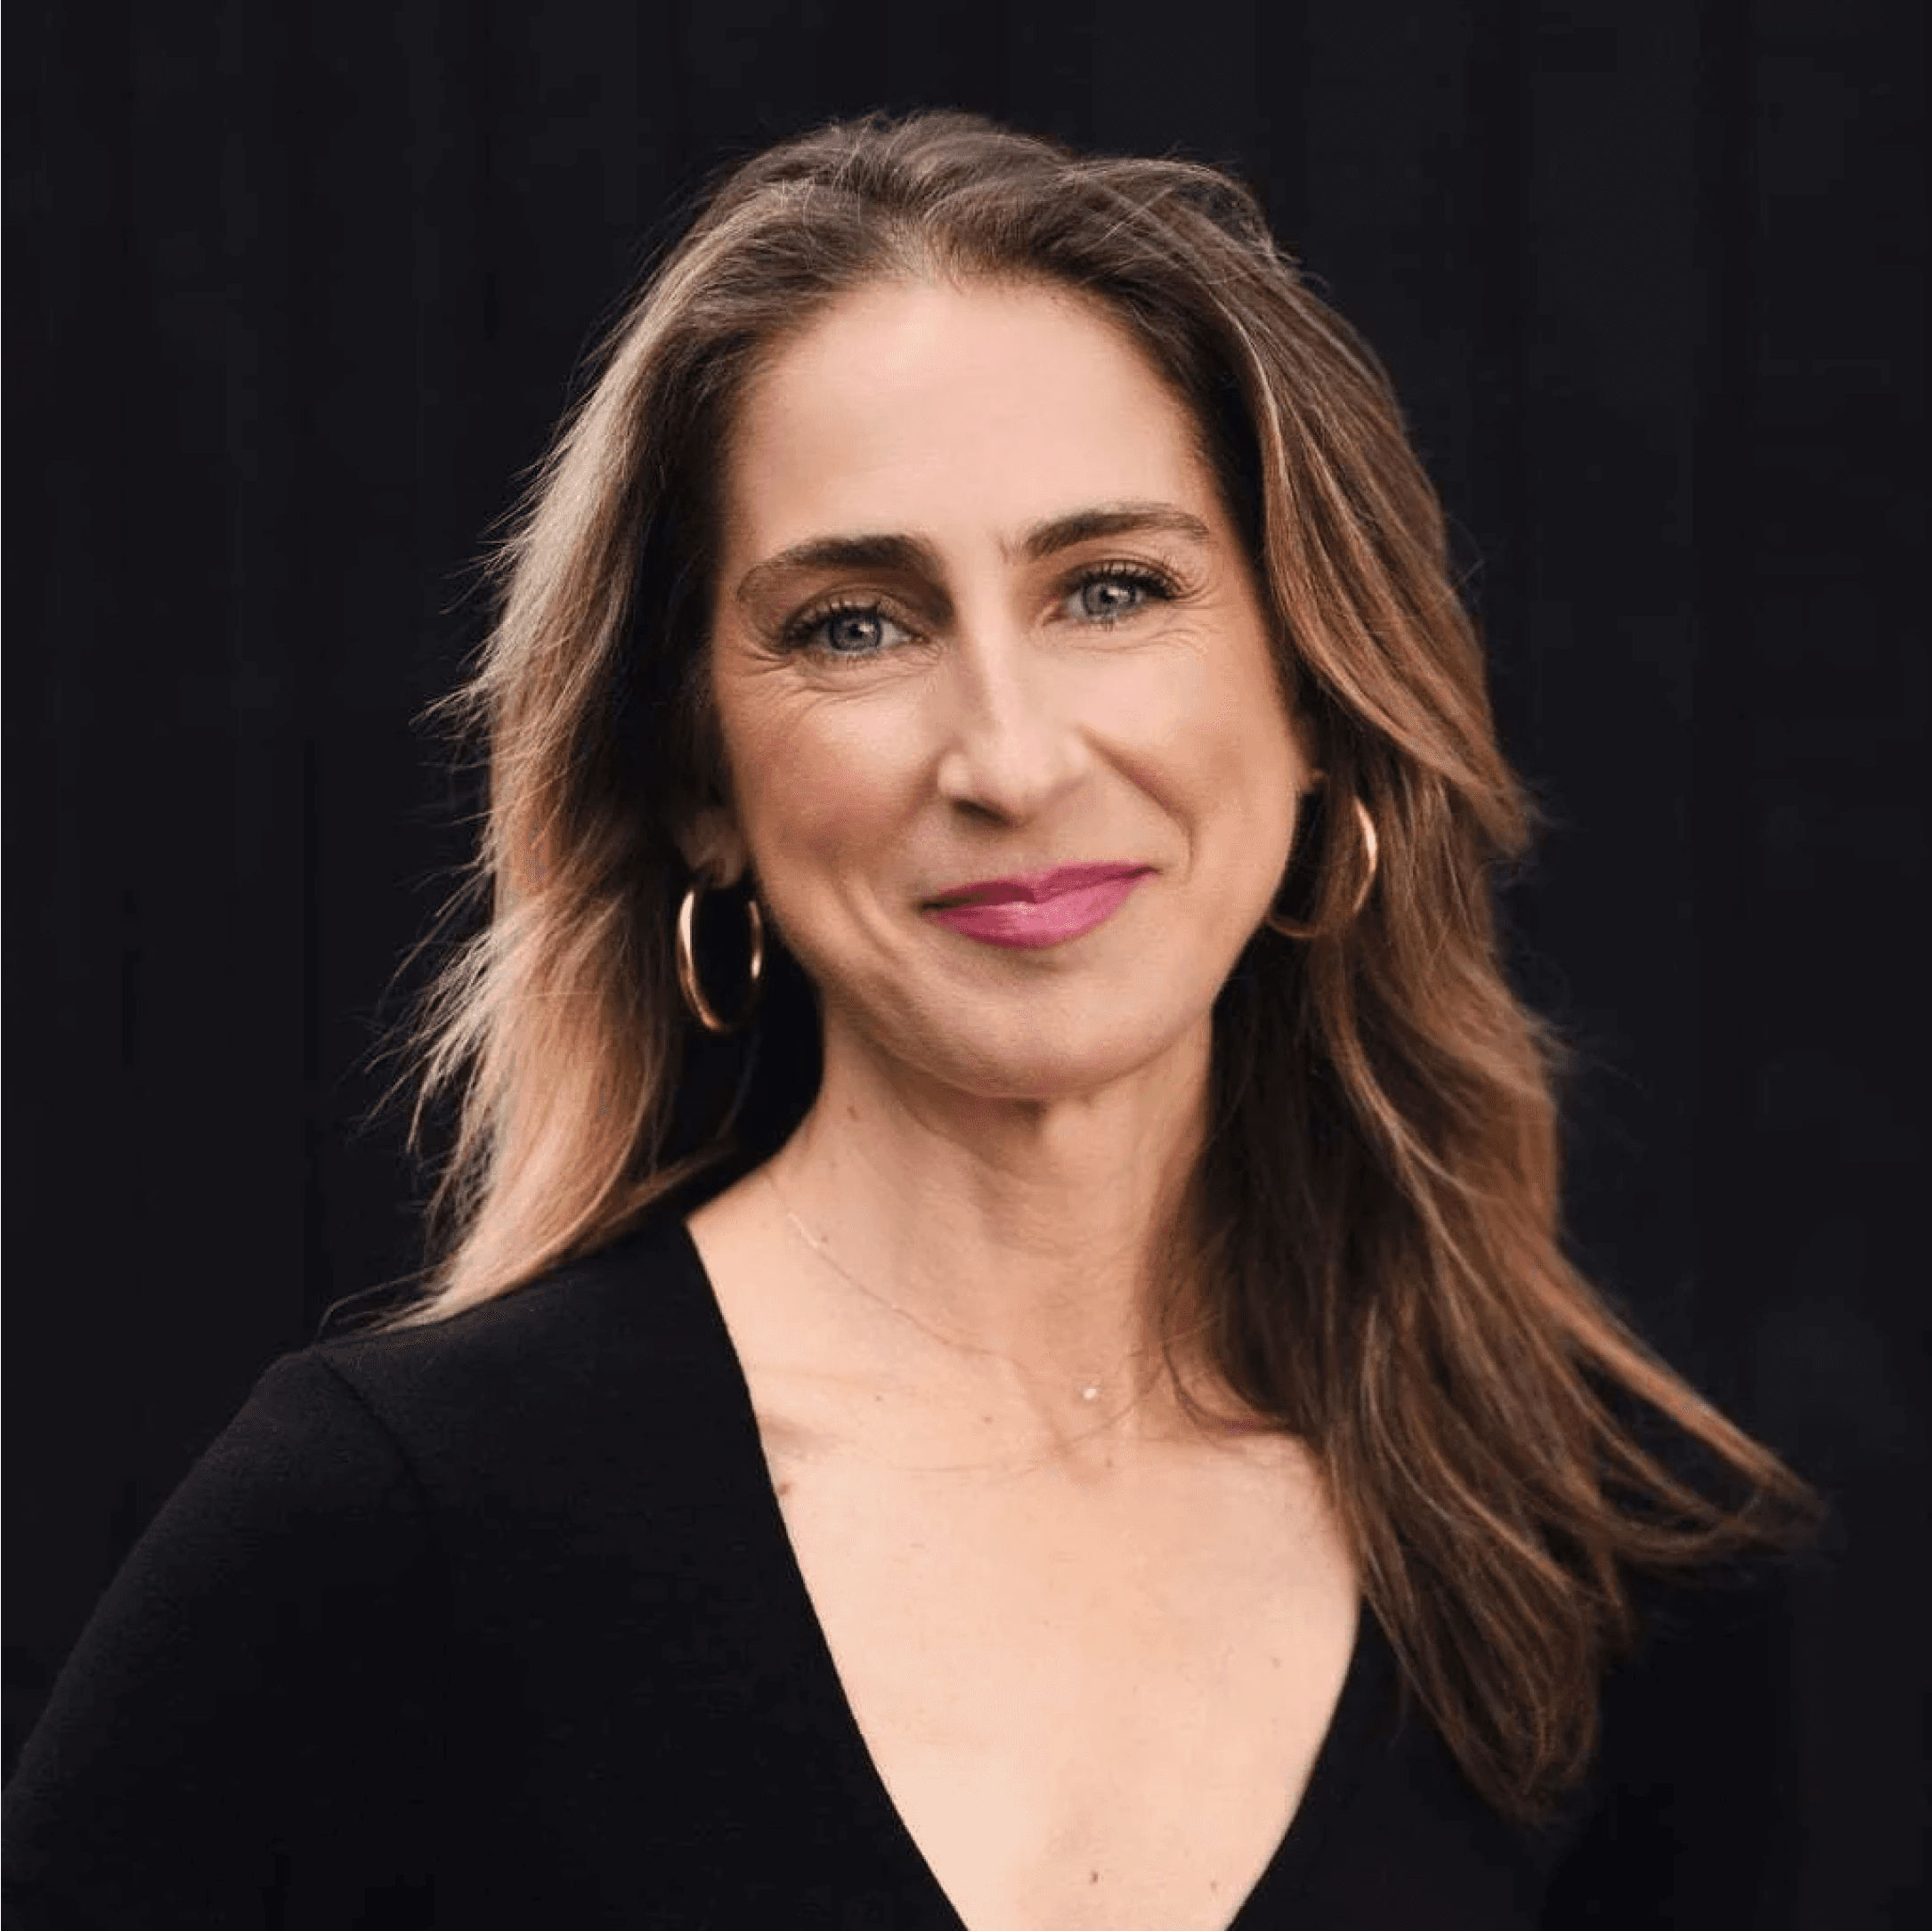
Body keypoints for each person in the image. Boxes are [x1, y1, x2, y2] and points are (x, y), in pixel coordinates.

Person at [3, 110, 1822, 1928]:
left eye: (1110, 590)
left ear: (1312, 700)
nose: (1009, 762)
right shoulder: (389, 1532)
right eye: (854, 625)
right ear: (696, 780)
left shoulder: (1610, 1564)